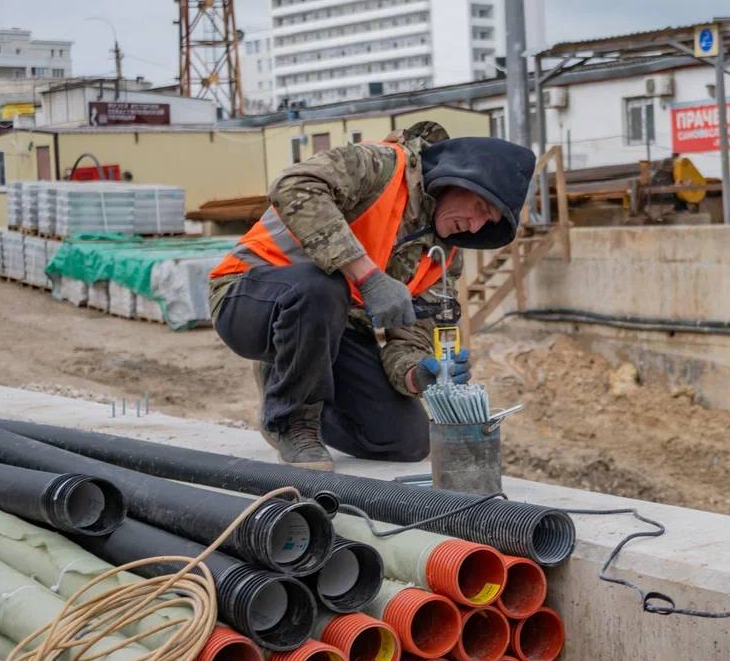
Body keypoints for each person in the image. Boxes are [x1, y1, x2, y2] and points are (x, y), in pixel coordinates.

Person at [209, 121, 535, 471]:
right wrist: (366, 275)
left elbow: (409, 338)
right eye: (480, 209)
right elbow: (293, 185)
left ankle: (290, 387)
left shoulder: (444, 256)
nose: (476, 226)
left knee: (405, 439)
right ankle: (292, 421)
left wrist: (417, 374)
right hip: (250, 300)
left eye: (488, 222)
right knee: (322, 287)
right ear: (458, 180)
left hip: (331, 331)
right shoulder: (382, 168)